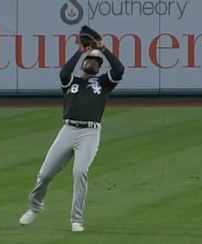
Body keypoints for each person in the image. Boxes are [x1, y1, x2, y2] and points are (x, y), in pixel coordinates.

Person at [19, 40, 125, 232]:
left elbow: (119, 70)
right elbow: (64, 73)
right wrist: (79, 52)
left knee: (79, 172)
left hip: (89, 133)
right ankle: (35, 207)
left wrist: (103, 49)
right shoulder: (72, 82)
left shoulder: (103, 83)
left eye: (96, 61)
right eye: (89, 59)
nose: (92, 62)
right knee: (44, 174)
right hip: (68, 130)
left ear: (100, 67)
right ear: (83, 63)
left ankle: (76, 220)